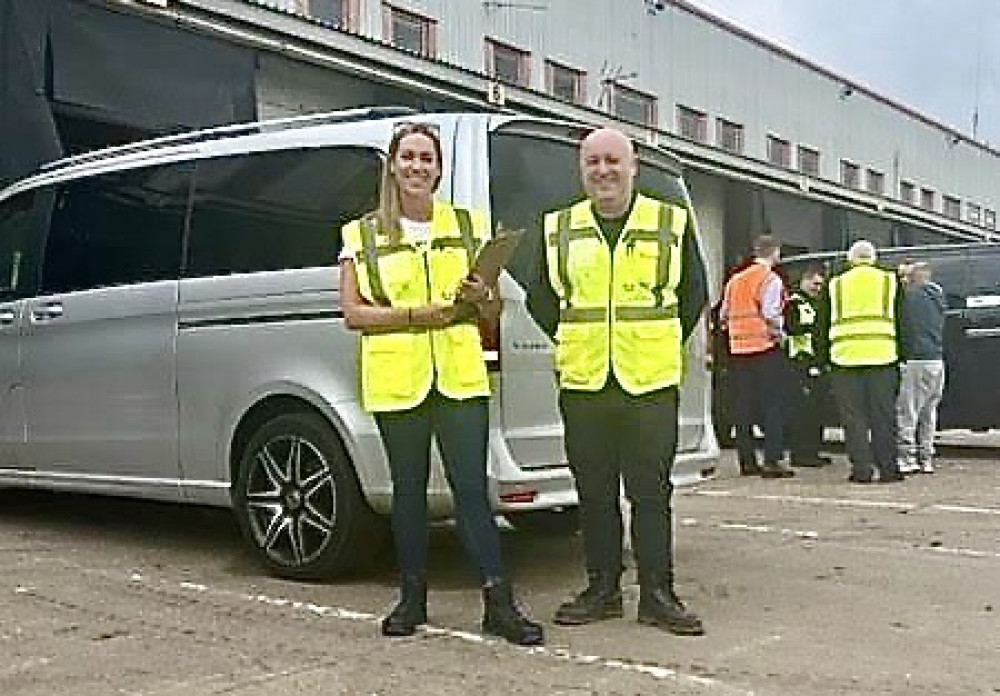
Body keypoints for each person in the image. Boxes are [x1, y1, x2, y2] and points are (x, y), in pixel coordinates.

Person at [339, 121, 543, 646]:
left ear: (438, 169)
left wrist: (482, 294)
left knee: (471, 490)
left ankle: (499, 602)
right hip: (396, 377)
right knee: (408, 492)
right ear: (392, 164)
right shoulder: (360, 234)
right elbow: (354, 314)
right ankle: (412, 599)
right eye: (408, 156)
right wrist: (414, 314)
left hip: (458, 374)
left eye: (427, 158)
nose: (417, 166)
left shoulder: (469, 225)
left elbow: (493, 309)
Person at [527, 127, 707, 636]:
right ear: (582, 171)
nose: (603, 171)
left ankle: (658, 594)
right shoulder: (558, 227)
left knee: (651, 493)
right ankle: (601, 590)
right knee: (594, 493)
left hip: (648, 381)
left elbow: (694, 292)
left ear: (634, 168)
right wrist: (578, 339)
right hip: (585, 381)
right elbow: (543, 299)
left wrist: (654, 340)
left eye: (612, 161)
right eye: (593, 163)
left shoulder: (670, 222)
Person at [817, 239, 904, 484]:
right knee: (884, 417)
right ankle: (889, 469)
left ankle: (862, 470)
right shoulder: (889, 280)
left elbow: (821, 325)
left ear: (850, 260)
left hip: (844, 359)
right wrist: (903, 355)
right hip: (883, 357)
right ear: (873, 258)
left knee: (853, 419)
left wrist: (823, 358)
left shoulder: (835, 284)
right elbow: (902, 320)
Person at [720, 234, 794, 478]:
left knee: (743, 407)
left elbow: (723, 314)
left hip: (738, 350)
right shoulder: (770, 279)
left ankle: (747, 461)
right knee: (774, 405)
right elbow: (771, 313)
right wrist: (780, 336)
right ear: (775, 252)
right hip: (764, 348)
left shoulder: (735, 280)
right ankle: (772, 460)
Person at [896, 261, 947, 474]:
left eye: (906, 276)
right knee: (928, 413)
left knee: (907, 411)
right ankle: (927, 457)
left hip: (915, 359)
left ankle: (907, 458)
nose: (903, 280)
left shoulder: (911, 297)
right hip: (936, 360)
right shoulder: (938, 297)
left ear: (914, 277)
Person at [784, 264, 829, 468]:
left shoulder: (817, 303)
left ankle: (814, 450)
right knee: (803, 412)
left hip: (817, 363)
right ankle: (802, 453)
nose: (817, 288)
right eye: (814, 283)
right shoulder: (795, 303)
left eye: (821, 284)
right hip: (801, 362)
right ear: (804, 281)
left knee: (818, 411)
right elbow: (794, 331)